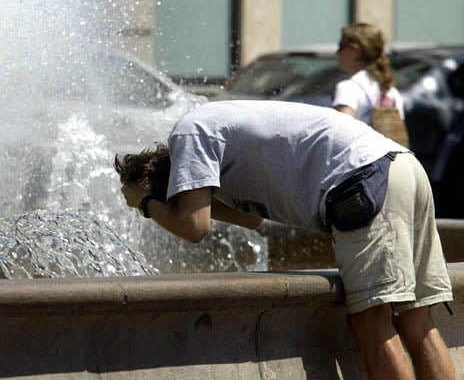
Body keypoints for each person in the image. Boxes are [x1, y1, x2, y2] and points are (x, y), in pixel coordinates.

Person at [115, 100, 454, 379]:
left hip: (361, 180)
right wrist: (175, 201)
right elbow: (250, 219)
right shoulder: (216, 141)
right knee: (416, 316)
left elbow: (194, 227)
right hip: (400, 166)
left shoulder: (188, 134)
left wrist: (145, 203)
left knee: (371, 320)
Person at [333, 22, 405, 122]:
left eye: (341, 46)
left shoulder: (348, 88)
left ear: (356, 52)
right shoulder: (391, 91)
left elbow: (342, 133)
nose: (337, 52)